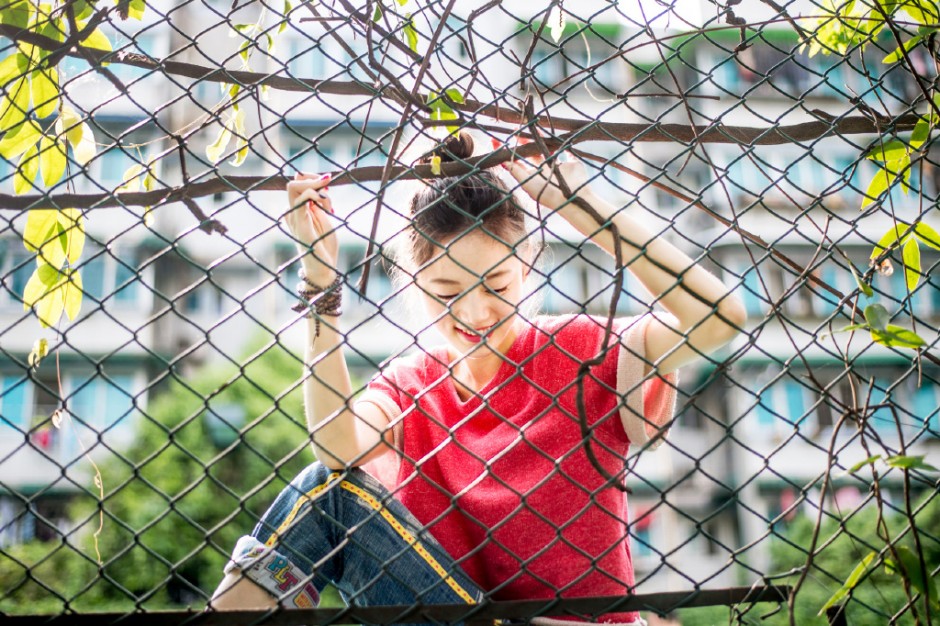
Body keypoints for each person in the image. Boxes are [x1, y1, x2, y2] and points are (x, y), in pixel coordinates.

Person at [210, 132, 746, 625]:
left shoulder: (582, 349)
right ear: (412, 284)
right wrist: (321, 284)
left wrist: (574, 203)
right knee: (326, 490)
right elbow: (334, 447)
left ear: (528, 269)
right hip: (456, 610)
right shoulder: (408, 384)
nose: (474, 311)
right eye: (445, 292)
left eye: (497, 284)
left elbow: (719, 317)